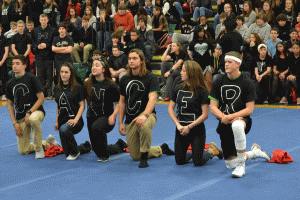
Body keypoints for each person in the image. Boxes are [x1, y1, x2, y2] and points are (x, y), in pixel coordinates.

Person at [209, 51, 271, 178]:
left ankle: (241, 165)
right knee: (230, 163)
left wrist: (231, 117)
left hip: (242, 120)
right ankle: (255, 152)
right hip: (224, 122)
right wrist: (223, 117)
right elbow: (213, 107)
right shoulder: (218, 81)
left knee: (237, 125)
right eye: (225, 62)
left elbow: (249, 109)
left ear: (238, 64)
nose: (226, 64)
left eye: (229, 62)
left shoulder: (247, 82)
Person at [119, 49, 174, 168]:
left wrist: (145, 115)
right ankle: (161, 149)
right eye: (129, 59)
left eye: (135, 58)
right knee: (135, 156)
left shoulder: (150, 77)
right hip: (130, 118)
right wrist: (120, 123)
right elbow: (122, 102)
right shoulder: (124, 79)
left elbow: (153, 98)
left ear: (142, 61)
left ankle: (144, 158)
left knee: (143, 126)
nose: (131, 61)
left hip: (148, 114)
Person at [168, 60, 223, 166]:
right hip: (181, 130)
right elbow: (170, 109)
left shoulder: (202, 91)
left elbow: (205, 115)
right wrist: (178, 125)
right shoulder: (178, 88)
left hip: (196, 130)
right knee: (179, 161)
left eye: (183, 71)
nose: (181, 73)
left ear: (191, 73)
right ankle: (195, 153)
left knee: (198, 162)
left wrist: (189, 127)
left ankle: (212, 151)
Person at [85, 58, 128, 162]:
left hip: (106, 117)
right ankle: (120, 145)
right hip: (91, 117)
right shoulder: (88, 83)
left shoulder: (111, 85)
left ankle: (106, 155)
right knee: (97, 150)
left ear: (103, 69)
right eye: (93, 65)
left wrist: (113, 116)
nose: (93, 67)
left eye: (97, 65)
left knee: (97, 129)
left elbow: (119, 104)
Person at [7, 55, 48, 159]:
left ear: (24, 66)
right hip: (20, 117)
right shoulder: (10, 83)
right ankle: (46, 143)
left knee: (33, 119)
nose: (14, 66)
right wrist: (14, 123)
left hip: (36, 112)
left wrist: (29, 112)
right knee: (23, 150)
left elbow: (41, 98)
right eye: (13, 64)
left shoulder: (31, 78)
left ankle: (39, 150)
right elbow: (10, 104)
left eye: (17, 63)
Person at [54, 63, 92, 160]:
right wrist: (56, 121)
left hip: (75, 121)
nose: (63, 74)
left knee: (64, 129)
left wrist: (75, 119)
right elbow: (59, 106)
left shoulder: (78, 88)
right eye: (62, 72)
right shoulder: (56, 88)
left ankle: (75, 152)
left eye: (66, 72)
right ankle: (87, 146)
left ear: (71, 74)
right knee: (67, 153)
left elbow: (82, 106)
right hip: (62, 120)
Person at [31, 14, 56, 99]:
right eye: (42, 20)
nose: (43, 22)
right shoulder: (35, 31)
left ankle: (49, 93)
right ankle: (41, 93)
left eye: (45, 20)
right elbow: (33, 43)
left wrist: (47, 45)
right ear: (39, 20)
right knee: (40, 76)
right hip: (39, 57)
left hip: (49, 57)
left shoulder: (53, 30)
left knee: (49, 76)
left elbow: (54, 43)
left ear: (47, 20)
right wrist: (37, 46)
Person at [188, 25, 214, 92]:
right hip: (196, 66)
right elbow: (191, 55)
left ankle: (209, 99)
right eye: (200, 32)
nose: (202, 33)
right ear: (196, 32)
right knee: (196, 83)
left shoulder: (208, 42)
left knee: (209, 82)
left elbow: (211, 55)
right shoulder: (192, 43)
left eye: (203, 32)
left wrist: (212, 66)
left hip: (207, 65)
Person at [0, 24, 9, 101]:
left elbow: (6, 51)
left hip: (2, 61)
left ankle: (4, 94)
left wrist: (2, 61)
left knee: (3, 78)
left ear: (1, 29)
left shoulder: (4, 38)